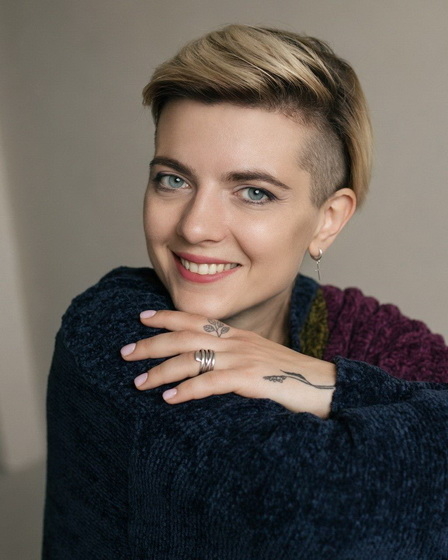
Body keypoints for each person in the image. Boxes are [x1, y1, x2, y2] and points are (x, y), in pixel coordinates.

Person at [43, 25, 448, 559]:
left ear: (327, 220)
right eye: (173, 179)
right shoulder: (117, 336)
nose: (195, 227)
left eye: (253, 192)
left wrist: (325, 380)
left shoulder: (350, 325)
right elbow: (331, 511)